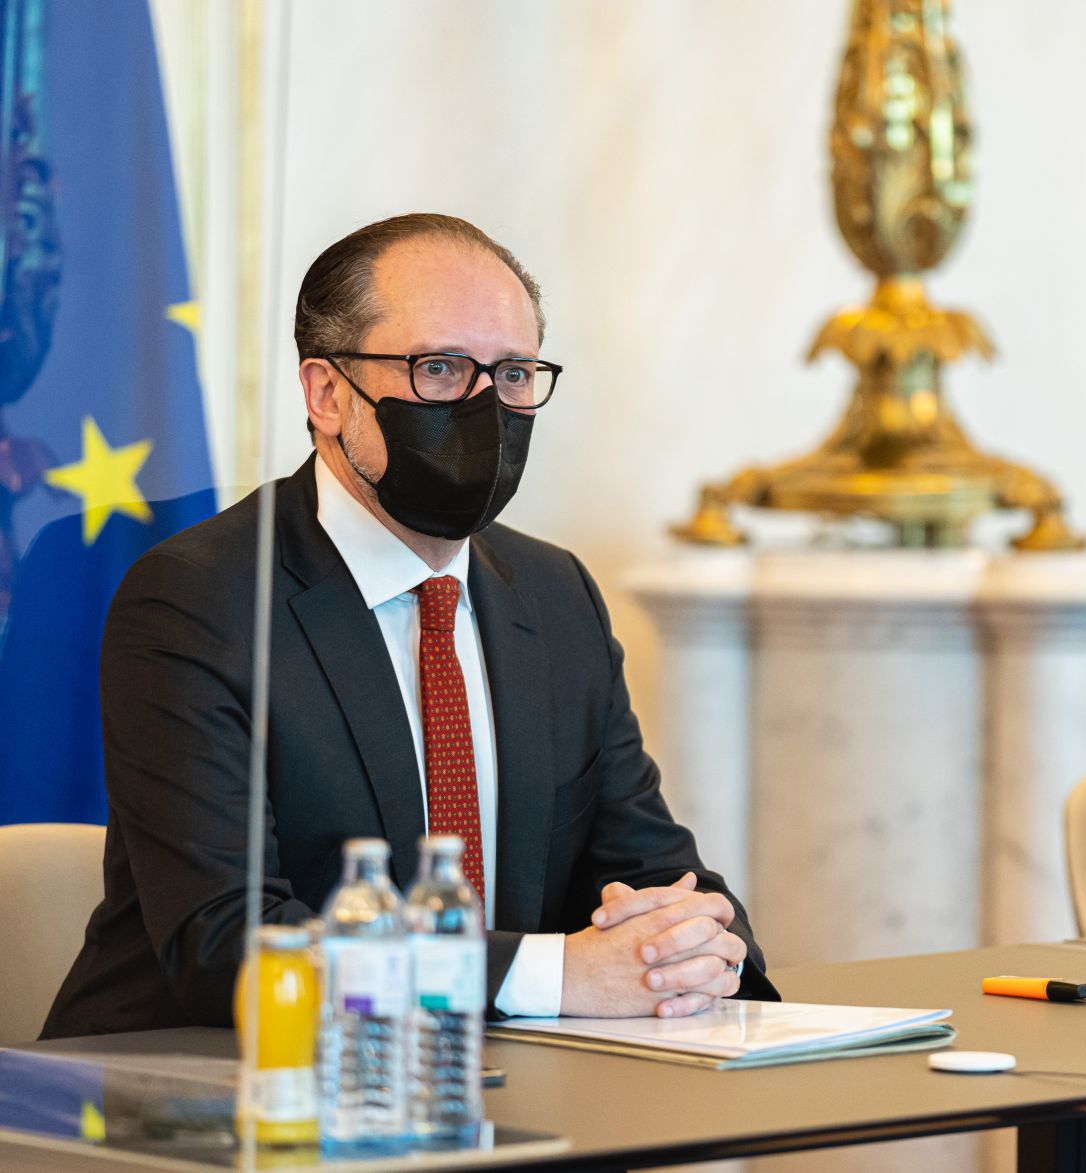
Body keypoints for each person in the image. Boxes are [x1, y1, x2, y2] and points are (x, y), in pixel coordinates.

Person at [42, 213, 776, 1038]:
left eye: (513, 374)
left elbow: (651, 867)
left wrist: (700, 948)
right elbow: (230, 941)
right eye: (439, 369)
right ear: (326, 394)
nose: (484, 407)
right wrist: (557, 972)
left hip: (506, 1096)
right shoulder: (197, 602)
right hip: (205, 1101)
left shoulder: (554, 594)